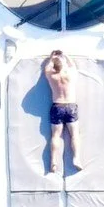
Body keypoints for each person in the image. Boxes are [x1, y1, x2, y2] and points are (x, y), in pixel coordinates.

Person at [43, 48, 80, 176]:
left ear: (54, 65)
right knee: (74, 134)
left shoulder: (51, 75)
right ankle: (76, 158)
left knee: (55, 136)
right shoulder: (70, 74)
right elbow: (73, 65)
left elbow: (47, 68)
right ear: (63, 65)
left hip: (57, 106)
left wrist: (51, 58)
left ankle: (53, 161)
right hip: (71, 106)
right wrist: (66, 55)